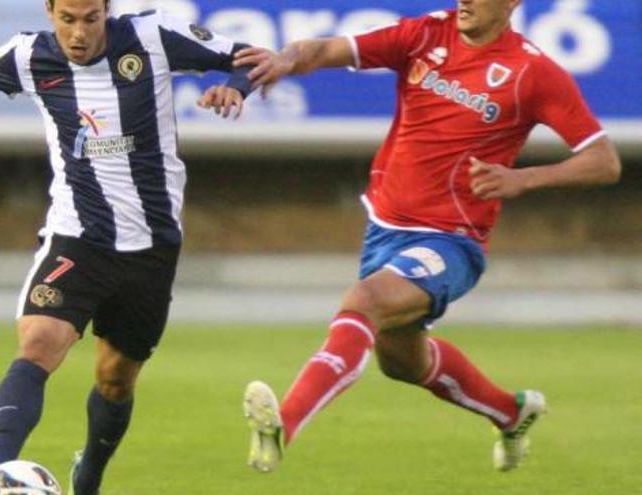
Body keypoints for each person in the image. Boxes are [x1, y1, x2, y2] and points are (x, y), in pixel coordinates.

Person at [0, 0, 253, 494]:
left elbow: (250, 56)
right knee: (39, 341)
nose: (78, 33)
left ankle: (89, 477)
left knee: (115, 380)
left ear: (107, 11)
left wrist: (234, 87)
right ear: (50, 12)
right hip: (77, 238)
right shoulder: (27, 56)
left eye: (90, 18)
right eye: (67, 19)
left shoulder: (154, 38)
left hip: (151, 249)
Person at [234, 0, 621, 475]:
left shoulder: (532, 71)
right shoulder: (425, 35)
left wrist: (524, 179)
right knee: (399, 361)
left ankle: (283, 427)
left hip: (451, 241)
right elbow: (324, 48)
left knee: (365, 301)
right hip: (384, 228)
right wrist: (285, 59)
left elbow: (603, 161)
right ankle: (511, 412)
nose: (465, 1)